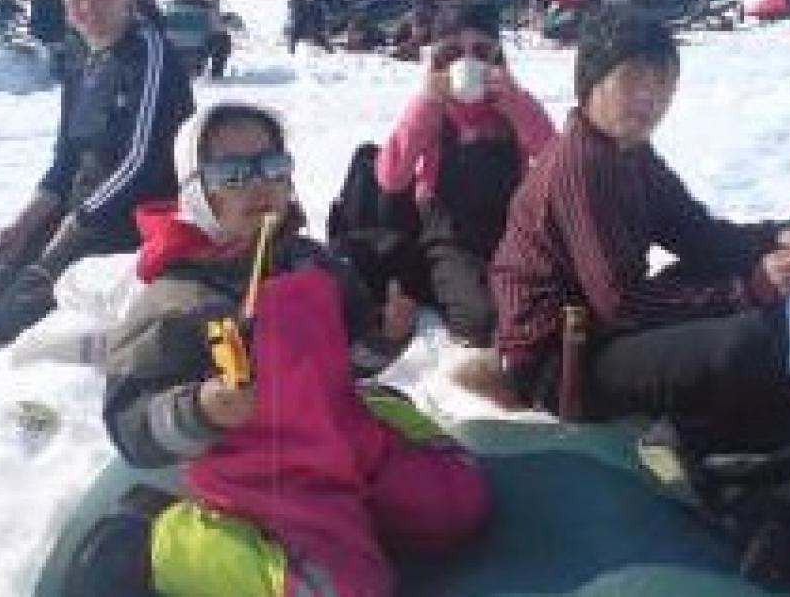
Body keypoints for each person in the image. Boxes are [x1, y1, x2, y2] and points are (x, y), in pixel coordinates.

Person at [69, 103, 488, 597]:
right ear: (197, 194)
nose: (258, 184)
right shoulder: (179, 302)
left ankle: (381, 428)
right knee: (344, 590)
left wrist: (385, 338)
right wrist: (201, 409)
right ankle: (164, 542)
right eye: (232, 173)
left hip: (343, 437)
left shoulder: (313, 263)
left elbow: (348, 359)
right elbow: (130, 422)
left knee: (460, 502)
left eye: (272, 167)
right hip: (262, 482)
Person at [492, 13, 790, 447]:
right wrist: (750, 288)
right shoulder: (580, 166)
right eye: (633, 82)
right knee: (744, 339)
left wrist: (782, 237)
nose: (649, 100)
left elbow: (699, 237)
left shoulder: (631, 152)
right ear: (592, 81)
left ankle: (760, 405)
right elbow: (620, 302)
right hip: (560, 361)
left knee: (751, 298)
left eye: (663, 85)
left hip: (603, 326)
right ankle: (739, 429)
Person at [0, 0, 194, 345]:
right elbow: (65, 160)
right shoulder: (80, 60)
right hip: (83, 209)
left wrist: (70, 232)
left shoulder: (149, 54)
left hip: (129, 221)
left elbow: (140, 164)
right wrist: (23, 226)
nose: (88, 7)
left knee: (6, 323)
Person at [374, 0, 556, 346]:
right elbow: (391, 176)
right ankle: (435, 281)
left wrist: (516, 104)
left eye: (480, 50)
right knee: (480, 319)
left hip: (508, 228)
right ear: (437, 60)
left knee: (546, 301)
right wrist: (426, 103)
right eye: (453, 52)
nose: (467, 60)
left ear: (496, 56)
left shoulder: (513, 104)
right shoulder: (431, 110)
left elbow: (557, 162)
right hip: (449, 234)